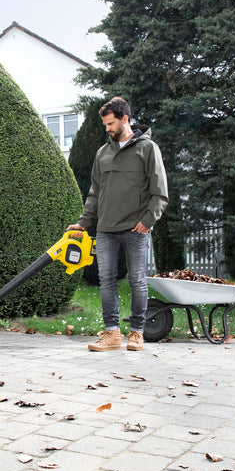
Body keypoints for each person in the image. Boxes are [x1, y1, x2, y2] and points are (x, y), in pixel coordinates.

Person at [67, 97, 168, 351]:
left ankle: (137, 332)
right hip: (106, 230)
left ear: (125, 119)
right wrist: (83, 223)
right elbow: (95, 194)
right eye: (105, 125)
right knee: (107, 280)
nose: (108, 129)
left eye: (111, 123)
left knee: (136, 280)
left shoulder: (147, 149)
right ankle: (112, 334)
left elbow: (160, 192)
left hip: (136, 229)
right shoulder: (103, 153)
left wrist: (148, 220)